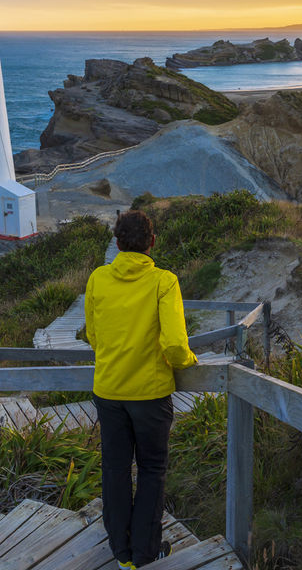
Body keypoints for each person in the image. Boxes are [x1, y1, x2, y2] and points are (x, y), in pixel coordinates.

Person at [85, 210, 197, 570]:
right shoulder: (164, 281)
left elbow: (93, 336)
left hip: (109, 390)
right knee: (151, 469)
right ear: (152, 242)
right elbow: (176, 345)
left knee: (115, 470)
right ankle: (145, 553)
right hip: (149, 395)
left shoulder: (98, 279)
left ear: (117, 243)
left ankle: (121, 553)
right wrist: (190, 362)